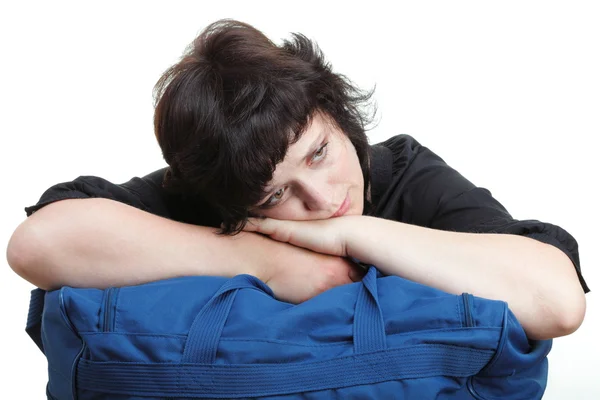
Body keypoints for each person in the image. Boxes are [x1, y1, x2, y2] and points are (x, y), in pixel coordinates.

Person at [7, 19, 588, 341]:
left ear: (338, 115)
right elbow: (38, 243)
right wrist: (272, 263)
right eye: (275, 194)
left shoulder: (402, 172)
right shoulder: (216, 193)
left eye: (319, 153)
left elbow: (556, 303)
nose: (325, 197)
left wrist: (349, 237)